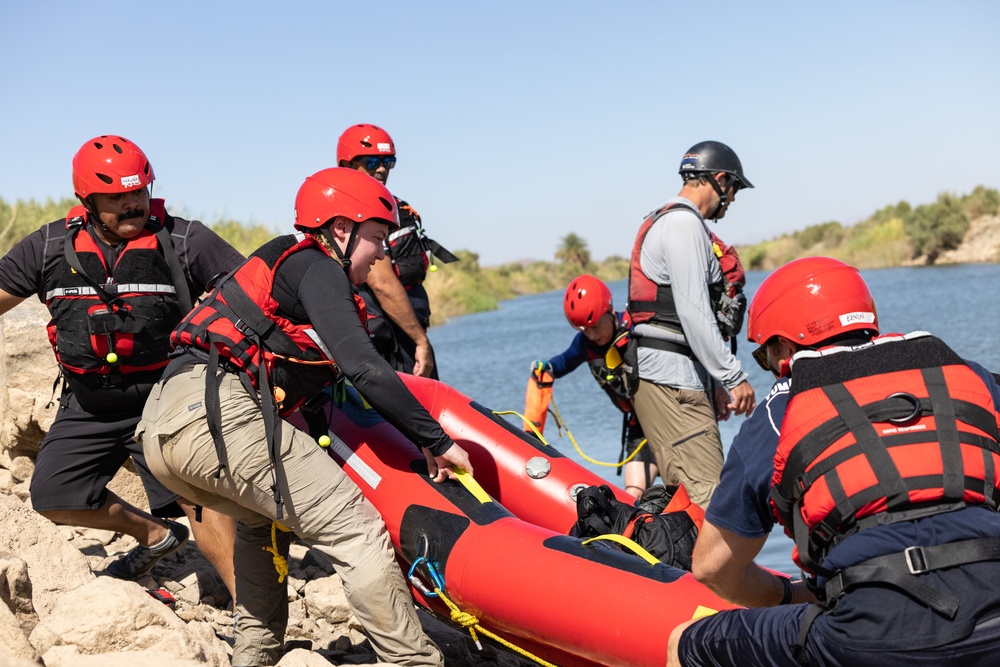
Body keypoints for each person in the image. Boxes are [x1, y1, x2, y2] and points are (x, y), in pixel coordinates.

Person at [136, 167, 474, 667]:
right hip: (217, 417)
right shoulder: (317, 266)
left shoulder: (287, 269)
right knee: (353, 526)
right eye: (377, 237)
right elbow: (364, 365)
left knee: (259, 523)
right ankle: (413, 661)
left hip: (162, 428)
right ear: (341, 229)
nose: (382, 253)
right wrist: (437, 440)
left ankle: (255, 654)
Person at [668, 257, 1000, 667]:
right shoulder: (968, 376)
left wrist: (789, 595)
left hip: (871, 636)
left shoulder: (781, 411)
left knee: (685, 641)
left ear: (785, 348)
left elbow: (711, 568)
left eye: (765, 357)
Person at [0, 135, 241, 596]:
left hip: (166, 400)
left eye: (140, 193)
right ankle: (154, 536)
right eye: (117, 197)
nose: (133, 205)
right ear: (86, 201)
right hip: (90, 403)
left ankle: (255, 617)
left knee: (200, 501)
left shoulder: (185, 239)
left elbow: (254, 294)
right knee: (51, 495)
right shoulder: (49, 245)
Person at [627, 140, 757, 509]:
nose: (730, 200)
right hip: (673, 381)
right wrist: (733, 377)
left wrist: (713, 381)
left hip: (671, 376)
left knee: (689, 502)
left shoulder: (664, 219)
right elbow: (693, 312)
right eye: (732, 190)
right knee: (711, 504)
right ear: (718, 179)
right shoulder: (684, 224)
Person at [337, 123, 457, 379]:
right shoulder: (358, 213)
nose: (381, 168)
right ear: (347, 165)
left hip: (403, 334)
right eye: (371, 161)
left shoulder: (388, 205)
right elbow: (380, 281)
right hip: (389, 340)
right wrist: (420, 341)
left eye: (387, 162)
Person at [530, 274, 658, 499]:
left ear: (609, 311)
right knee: (632, 496)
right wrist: (546, 366)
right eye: (583, 329)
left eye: (595, 326)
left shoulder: (636, 329)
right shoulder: (584, 343)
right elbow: (564, 362)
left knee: (682, 485)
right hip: (639, 425)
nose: (591, 334)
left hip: (667, 417)